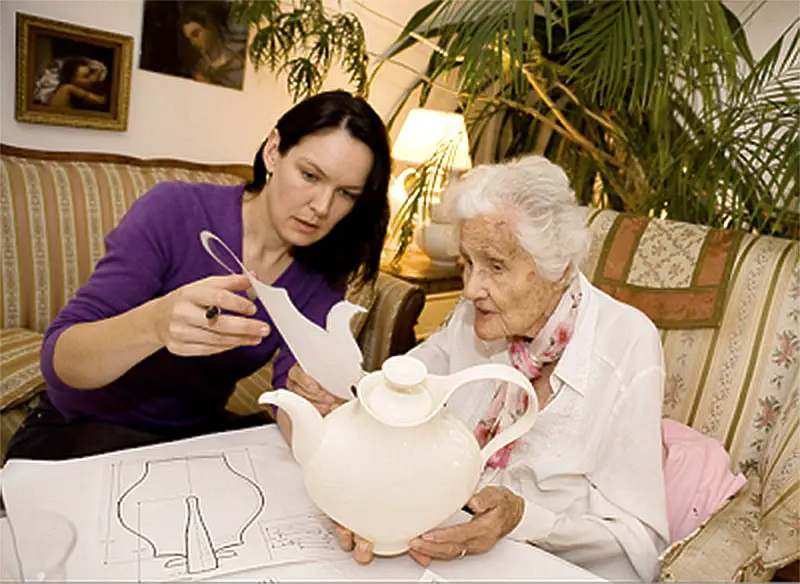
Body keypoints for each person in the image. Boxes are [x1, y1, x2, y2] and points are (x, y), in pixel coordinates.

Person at [285, 155, 670, 581]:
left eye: (496, 267)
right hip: (437, 539)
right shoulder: (475, 318)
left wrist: (523, 519)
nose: (469, 289)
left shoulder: (626, 344)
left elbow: (640, 545)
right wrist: (348, 407)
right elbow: (399, 392)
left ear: (557, 268)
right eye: (467, 263)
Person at [5, 90, 391, 462]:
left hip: (188, 440)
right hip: (81, 428)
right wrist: (156, 324)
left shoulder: (323, 272)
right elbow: (60, 362)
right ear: (273, 151)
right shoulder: (174, 210)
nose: (322, 207)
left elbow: (288, 402)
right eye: (309, 175)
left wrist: (314, 409)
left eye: (346, 194)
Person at [179, 4, 245, 89]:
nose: (193, 43)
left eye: (196, 34)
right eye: (189, 39)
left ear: (210, 27)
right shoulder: (201, 66)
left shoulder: (238, 63)